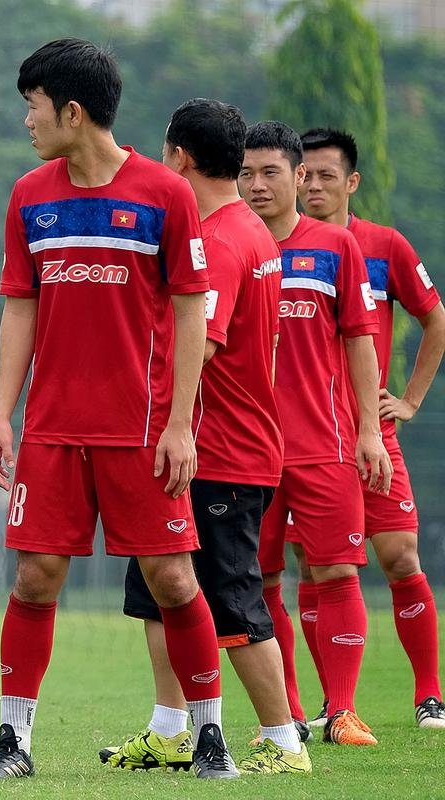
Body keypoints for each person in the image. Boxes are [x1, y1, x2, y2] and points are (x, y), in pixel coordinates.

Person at [0, 39, 235, 781]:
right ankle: (13, 743)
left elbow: (190, 311)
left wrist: (182, 421)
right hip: (52, 429)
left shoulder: (165, 193)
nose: (27, 119)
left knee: (174, 581)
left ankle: (210, 736)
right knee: (34, 579)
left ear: (72, 111)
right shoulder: (30, 194)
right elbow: (19, 306)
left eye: (34, 105)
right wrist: (0, 416)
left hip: (144, 429)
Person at [99, 99, 309, 775]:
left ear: (179, 157)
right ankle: (169, 732)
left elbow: (204, 346)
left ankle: (284, 740)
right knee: (158, 592)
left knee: (231, 600)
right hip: (196, 447)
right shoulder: (248, 228)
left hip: (218, 451)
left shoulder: (218, 241)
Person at [239, 121, 391, 747]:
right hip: (248, 448)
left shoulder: (334, 245)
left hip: (324, 444)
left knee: (337, 574)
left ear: (298, 177)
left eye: (269, 172)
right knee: (261, 580)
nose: (255, 185)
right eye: (245, 173)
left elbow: (359, 338)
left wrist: (369, 431)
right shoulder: (227, 245)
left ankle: (343, 710)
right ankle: (292, 713)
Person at [296, 127, 445, 729]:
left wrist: (406, 402)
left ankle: (429, 693)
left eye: (327, 175)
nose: (314, 186)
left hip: (366, 431)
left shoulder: (384, 245)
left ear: (351, 182)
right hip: (304, 435)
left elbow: (435, 321)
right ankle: (333, 706)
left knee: (400, 555)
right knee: (314, 565)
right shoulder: (278, 244)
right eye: (305, 174)